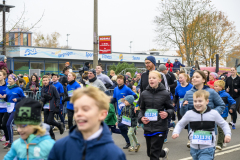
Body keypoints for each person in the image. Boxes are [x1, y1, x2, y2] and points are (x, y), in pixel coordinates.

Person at [48, 87, 126, 160]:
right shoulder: (60, 147)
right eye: (76, 110)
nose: (78, 114)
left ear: (102, 114)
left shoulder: (114, 154)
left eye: (85, 109)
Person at [172, 90, 231, 160]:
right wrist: (176, 132)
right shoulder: (189, 113)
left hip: (208, 148)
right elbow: (180, 124)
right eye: (195, 101)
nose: (197, 103)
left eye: (200, 101)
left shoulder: (213, 113)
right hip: (194, 148)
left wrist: (227, 134)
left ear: (207, 101)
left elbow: (224, 124)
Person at [180, 70, 225, 148]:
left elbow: (221, 105)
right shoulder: (188, 93)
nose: (194, 79)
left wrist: (212, 113)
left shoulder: (212, 92)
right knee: (196, 154)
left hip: (208, 128)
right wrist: (184, 107)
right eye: (193, 77)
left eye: (197, 77)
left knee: (207, 153)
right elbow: (183, 113)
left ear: (204, 80)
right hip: (194, 129)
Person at [138, 71, 173, 160]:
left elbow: (171, 108)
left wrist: (167, 113)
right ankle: (164, 153)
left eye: (154, 78)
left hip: (160, 127)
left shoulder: (165, 93)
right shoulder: (144, 94)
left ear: (159, 80)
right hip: (148, 126)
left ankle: (160, 154)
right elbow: (141, 109)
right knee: (150, 153)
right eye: (150, 78)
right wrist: (141, 118)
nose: (151, 80)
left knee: (154, 155)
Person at [111, 75, 138, 149]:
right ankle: (128, 142)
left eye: (120, 79)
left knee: (123, 127)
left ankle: (132, 140)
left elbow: (135, 96)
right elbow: (114, 99)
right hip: (120, 112)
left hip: (128, 112)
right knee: (121, 127)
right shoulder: (115, 89)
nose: (119, 80)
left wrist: (126, 99)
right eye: (118, 79)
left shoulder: (127, 89)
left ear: (124, 80)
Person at [4, 74, 25, 149]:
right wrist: (4, 98)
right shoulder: (7, 88)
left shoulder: (18, 89)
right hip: (9, 108)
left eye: (10, 79)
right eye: (8, 79)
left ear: (14, 80)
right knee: (18, 125)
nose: (8, 80)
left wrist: (17, 99)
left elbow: (23, 98)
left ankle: (11, 142)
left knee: (8, 124)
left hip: (16, 109)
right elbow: (7, 99)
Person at [214, 80, 236, 150]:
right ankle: (223, 139)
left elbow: (233, 102)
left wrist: (232, 108)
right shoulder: (214, 94)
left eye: (216, 86)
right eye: (214, 86)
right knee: (215, 128)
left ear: (221, 87)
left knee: (220, 129)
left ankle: (219, 144)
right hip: (215, 113)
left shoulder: (226, 95)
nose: (214, 87)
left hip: (223, 114)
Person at [41, 75, 64, 140]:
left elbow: (57, 97)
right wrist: (44, 98)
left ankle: (59, 125)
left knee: (49, 121)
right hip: (45, 107)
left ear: (49, 80)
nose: (45, 81)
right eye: (44, 80)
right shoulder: (42, 89)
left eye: (46, 80)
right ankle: (52, 136)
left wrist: (57, 106)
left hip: (52, 106)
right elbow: (41, 97)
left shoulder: (52, 87)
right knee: (46, 123)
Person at [0, 71, 8, 144]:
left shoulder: (8, 85)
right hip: (0, 107)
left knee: (4, 124)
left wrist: (5, 97)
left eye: (0, 75)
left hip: (7, 107)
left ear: (4, 76)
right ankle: (4, 134)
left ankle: (8, 138)